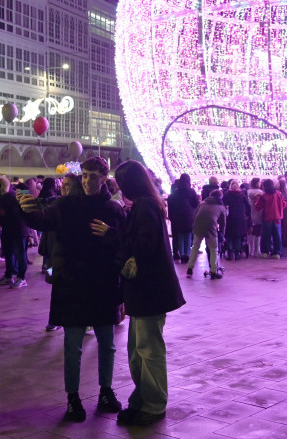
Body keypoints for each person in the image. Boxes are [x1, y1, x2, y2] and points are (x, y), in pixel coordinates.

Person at [20, 157, 127, 422]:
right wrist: (24, 209)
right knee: (73, 345)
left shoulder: (113, 209)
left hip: (103, 281)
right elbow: (41, 221)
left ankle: (105, 390)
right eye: (86, 175)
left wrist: (111, 235)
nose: (89, 181)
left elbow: (124, 243)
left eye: (94, 176)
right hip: (72, 282)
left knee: (107, 342)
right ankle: (73, 397)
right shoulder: (65, 205)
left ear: (105, 178)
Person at [100, 160, 185, 426]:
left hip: (149, 288)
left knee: (148, 350)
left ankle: (153, 404)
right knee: (138, 350)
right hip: (145, 289)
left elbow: (144, 245)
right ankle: (142, 399)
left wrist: (111, 235)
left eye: (122, 182)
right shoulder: (147, 204)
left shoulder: (146, 206)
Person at [188, 189, 226, 279]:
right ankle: (213, 270)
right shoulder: (221, 207)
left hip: (198, 227)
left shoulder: (202, 203)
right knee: (213, 249)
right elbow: (223, 223)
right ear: (221, 197)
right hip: (211, 228)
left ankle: (190, 267)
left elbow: (195, 215)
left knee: (195, 247)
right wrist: (222, 235)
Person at [167, 173, 199, 263]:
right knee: (188, 235)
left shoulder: (175, 193)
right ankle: (187, 254)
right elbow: (196, 204)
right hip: (189, 216)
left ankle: (182, 254)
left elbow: (171, 206)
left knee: (180, 235)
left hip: (178, 218)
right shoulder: (191, 191)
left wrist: (171, 217)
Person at [254, 178, 286, 258]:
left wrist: (257, 199)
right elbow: (284, 204)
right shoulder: (279, 194)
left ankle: (265, 252)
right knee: (277, 236)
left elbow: (258, 207)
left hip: (267, 217)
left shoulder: (263, 195)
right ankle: (277, 253)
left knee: (266, 236)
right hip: (277, 217)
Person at [222, 179, 250, 260]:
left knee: (229, 235)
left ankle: (230, 251)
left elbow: (223, 205)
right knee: (238, 235)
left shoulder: (226, 195)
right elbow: (248, 206)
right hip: (240, 217)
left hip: (229, 217)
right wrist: (247, 214)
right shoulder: (242, 195)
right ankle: (237, 253)